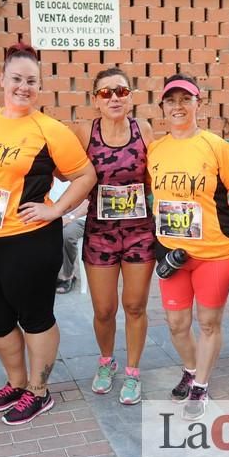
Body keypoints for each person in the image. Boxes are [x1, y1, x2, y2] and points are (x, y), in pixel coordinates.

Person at [0, 43, 95, 425]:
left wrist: (56, 209)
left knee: (36, 317)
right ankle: (16, 383)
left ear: (40, 85)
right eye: (16, 79)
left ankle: (39, 391)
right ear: (2, 80)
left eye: (31, 81)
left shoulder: (50, 129)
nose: (23, 87)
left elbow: (85, 176)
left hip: (29, 239)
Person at [147, 74, 229, 420]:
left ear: (198, 104)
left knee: (208, 323)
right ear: (162, 106)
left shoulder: (217, 147)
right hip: (174, 256)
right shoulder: (156, 150)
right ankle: (191, 369)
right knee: (176, 324)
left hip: (215, 253)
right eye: (171, 101)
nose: (178, 107)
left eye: (185, 100)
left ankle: (201, 385)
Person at [72, 67, 156, 405]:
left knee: (135, 306)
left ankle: (133, 372)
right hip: (100, 235)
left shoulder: (144, 130)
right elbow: (60, 164)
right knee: (104, 309)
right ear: (96, 101)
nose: (115, 98)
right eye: (106, 93)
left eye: (121, 91)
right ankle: (106, 362)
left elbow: (158, 177)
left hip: (138, 233)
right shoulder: (83, 132)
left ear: (131, 96)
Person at [49, 178, 90, 294]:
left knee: (66, 234)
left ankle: (67, 275)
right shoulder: (50, 177)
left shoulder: (83, 175)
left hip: (79, 219)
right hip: (54, 218)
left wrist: (71, 218)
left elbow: (89, 203)